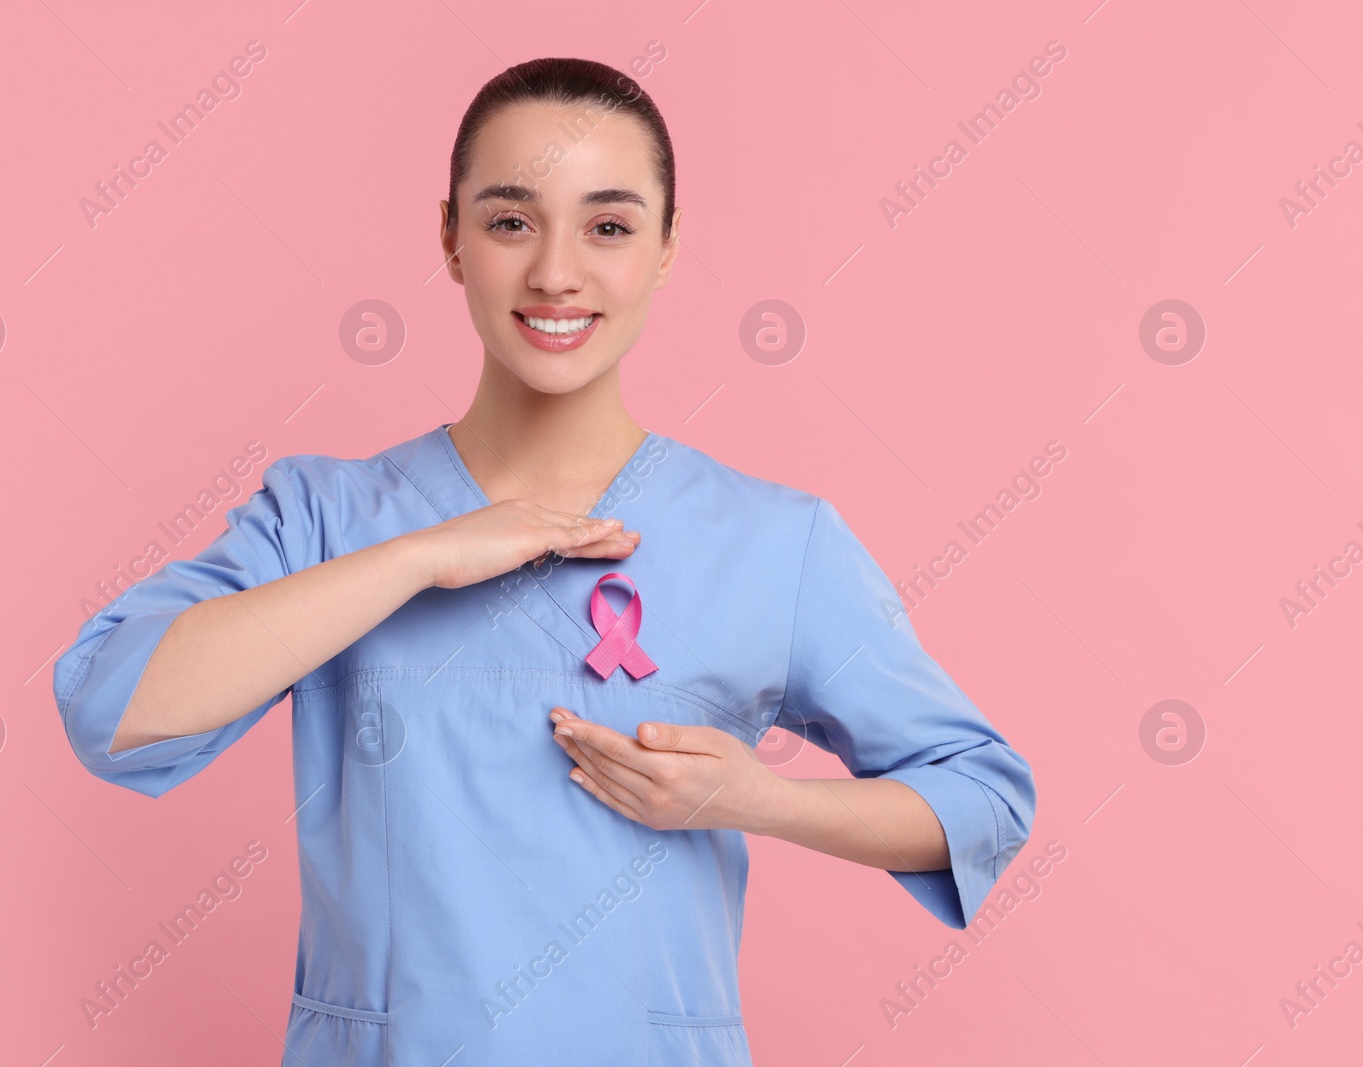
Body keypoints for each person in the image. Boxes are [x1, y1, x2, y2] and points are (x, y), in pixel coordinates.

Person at [53, 56, 1036, 1066]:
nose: (556, 273)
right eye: (511, 220)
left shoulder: (774, 542)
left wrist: (757, 800)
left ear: (665, 245)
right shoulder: (326, 516)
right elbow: (112, 702)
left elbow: (984, 796)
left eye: (607, 225)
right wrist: (420, 554)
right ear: (450, 238)